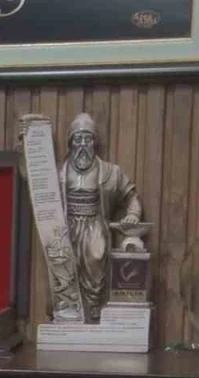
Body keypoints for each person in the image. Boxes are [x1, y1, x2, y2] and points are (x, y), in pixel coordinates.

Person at [61, 113, 143, 322]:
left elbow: (131, 197)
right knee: (64, 271)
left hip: (94, 226)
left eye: (87, 139)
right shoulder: (59, 172)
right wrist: (25, 148)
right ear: (70, 143)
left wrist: (133, 214)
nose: (82, 144)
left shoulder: (111, 172)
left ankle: (94, 312)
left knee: (96, 266)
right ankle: (68, 313)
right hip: (66, 228)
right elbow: (34, 183)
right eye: (78, 139)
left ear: (94, 142)